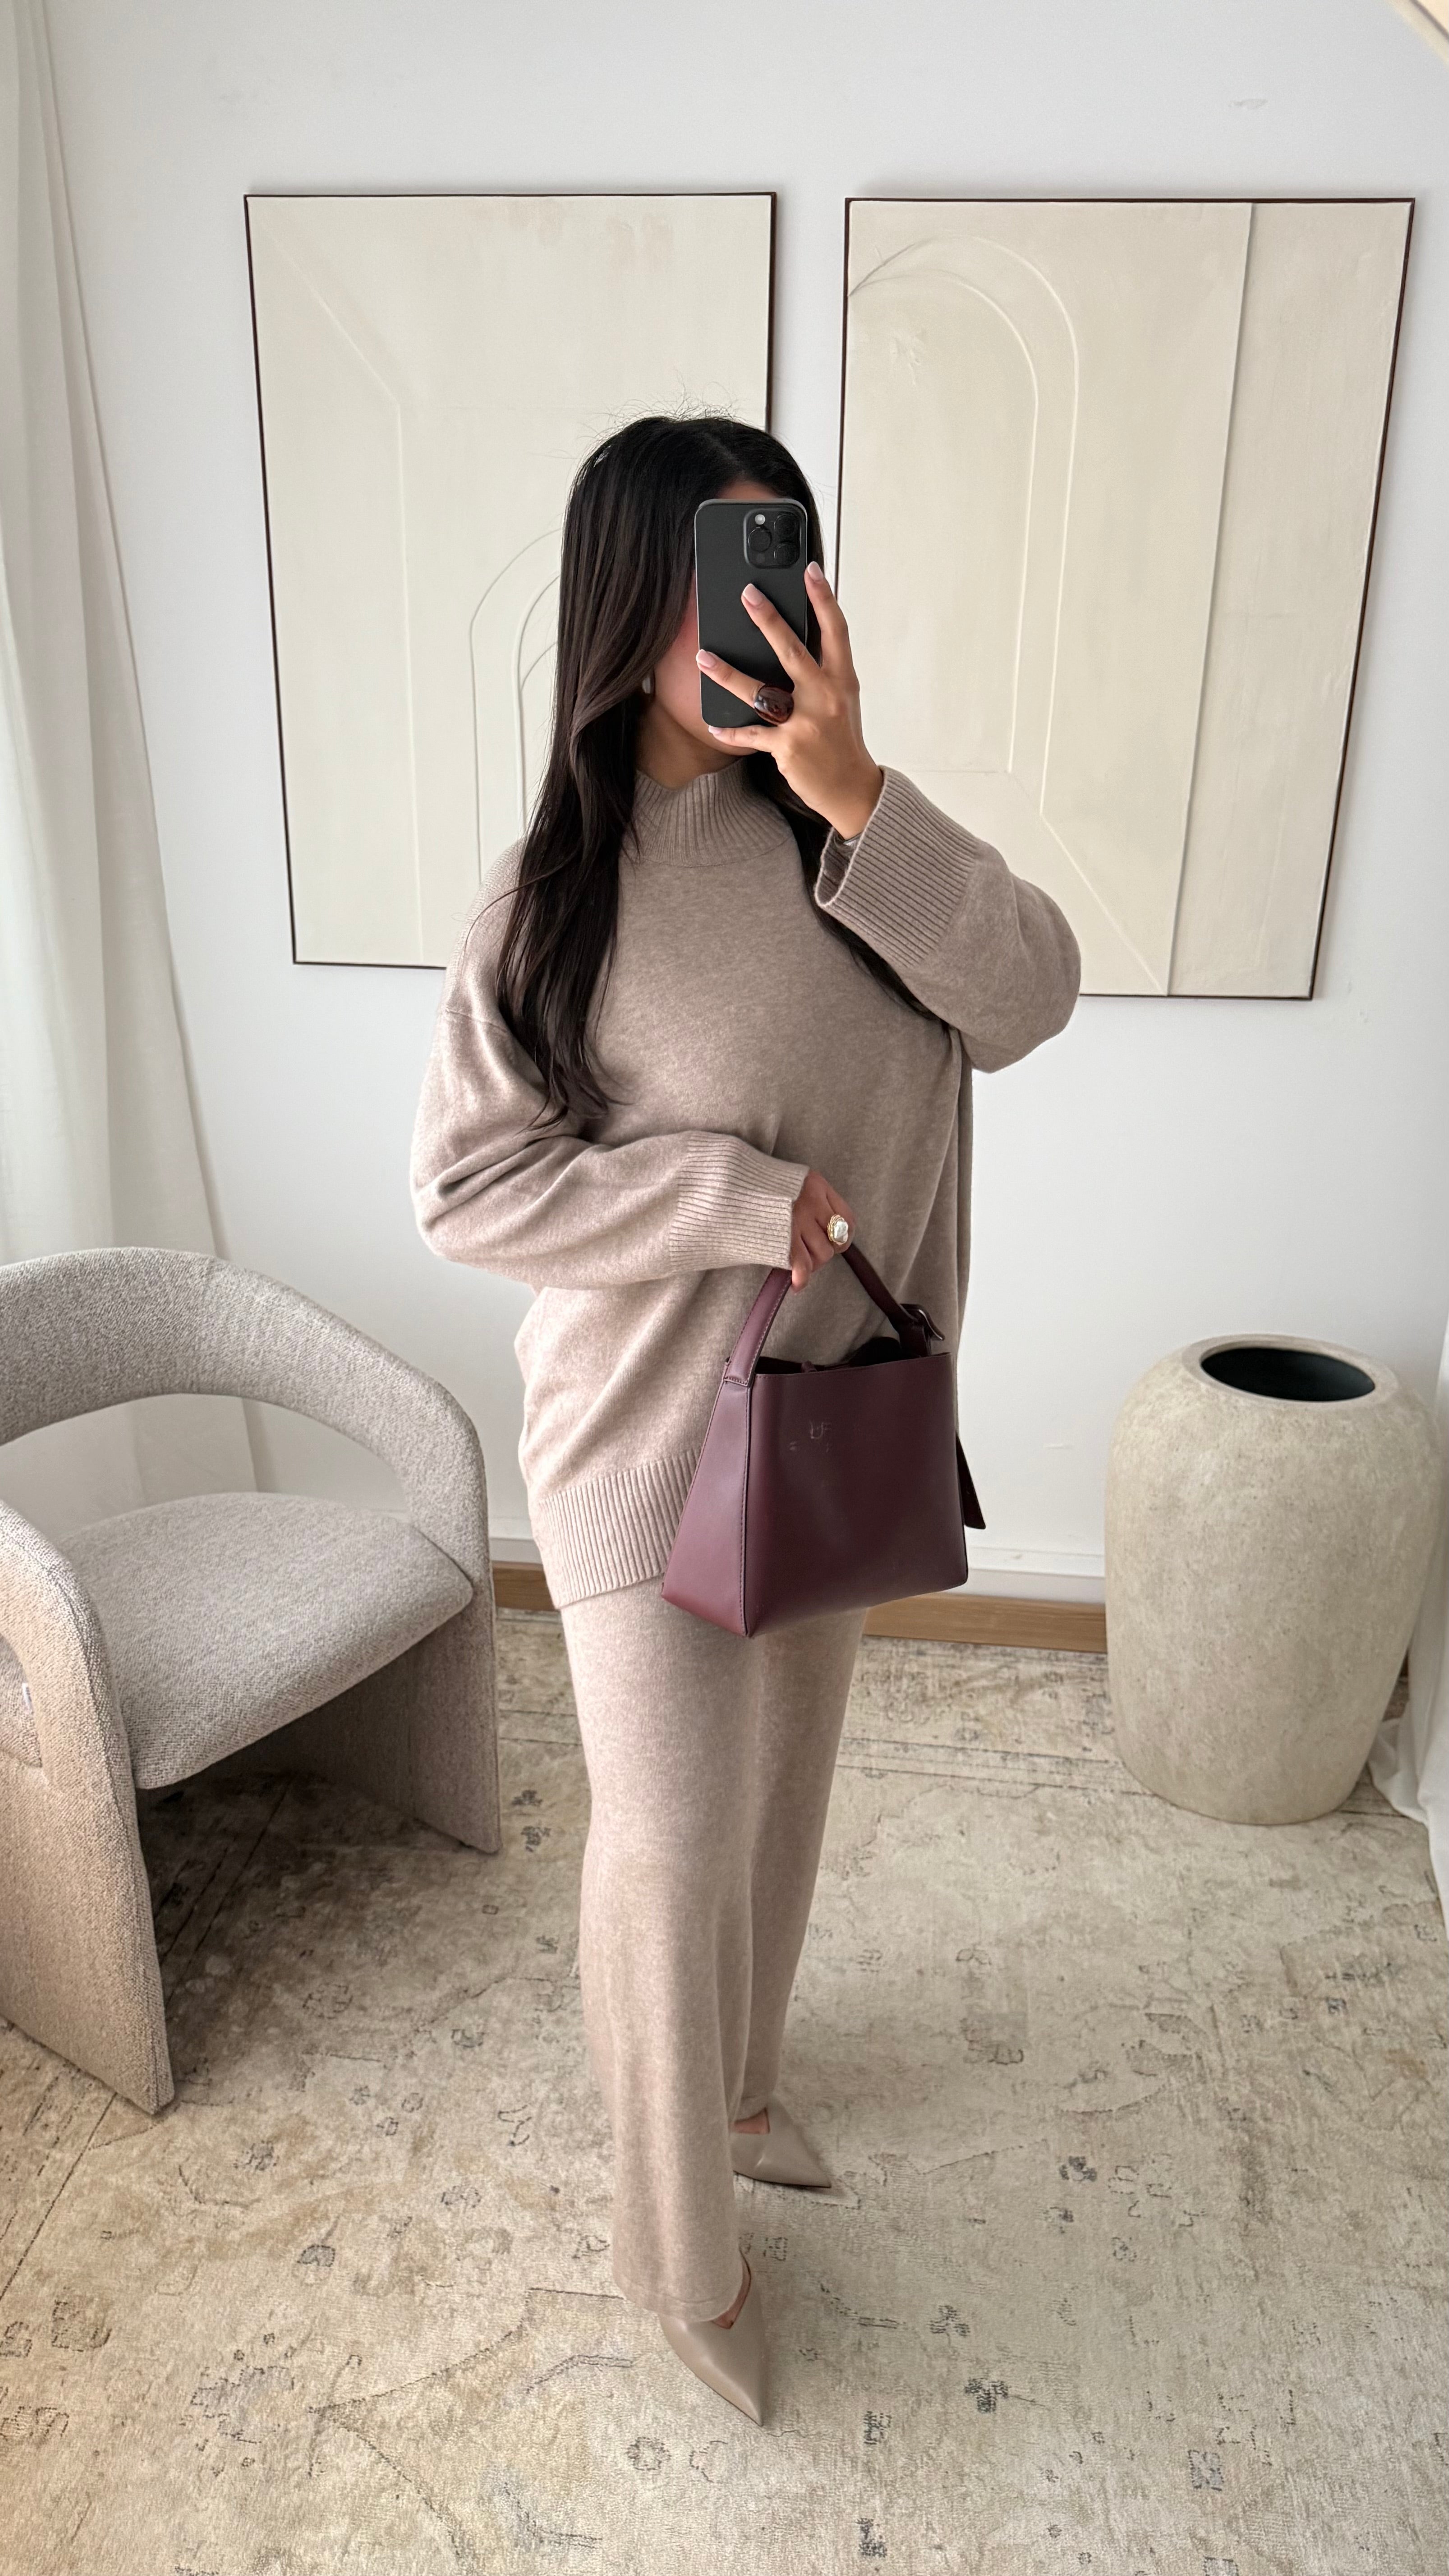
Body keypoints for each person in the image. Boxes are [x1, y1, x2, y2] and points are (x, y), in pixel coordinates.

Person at [409, 413, 1081, 2425]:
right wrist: (726, 1194)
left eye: (783, 565)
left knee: (782, 1801)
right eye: (718, 573)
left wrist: (854, 786)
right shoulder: (553, 898)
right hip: (640, 1444)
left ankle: (746, 2094)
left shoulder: (854, 843)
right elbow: (467, 1192)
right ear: (631, 603)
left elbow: (1030, 998)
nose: (756, 618)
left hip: (834, 1423)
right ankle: (681, 2262)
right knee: (669, 1843)